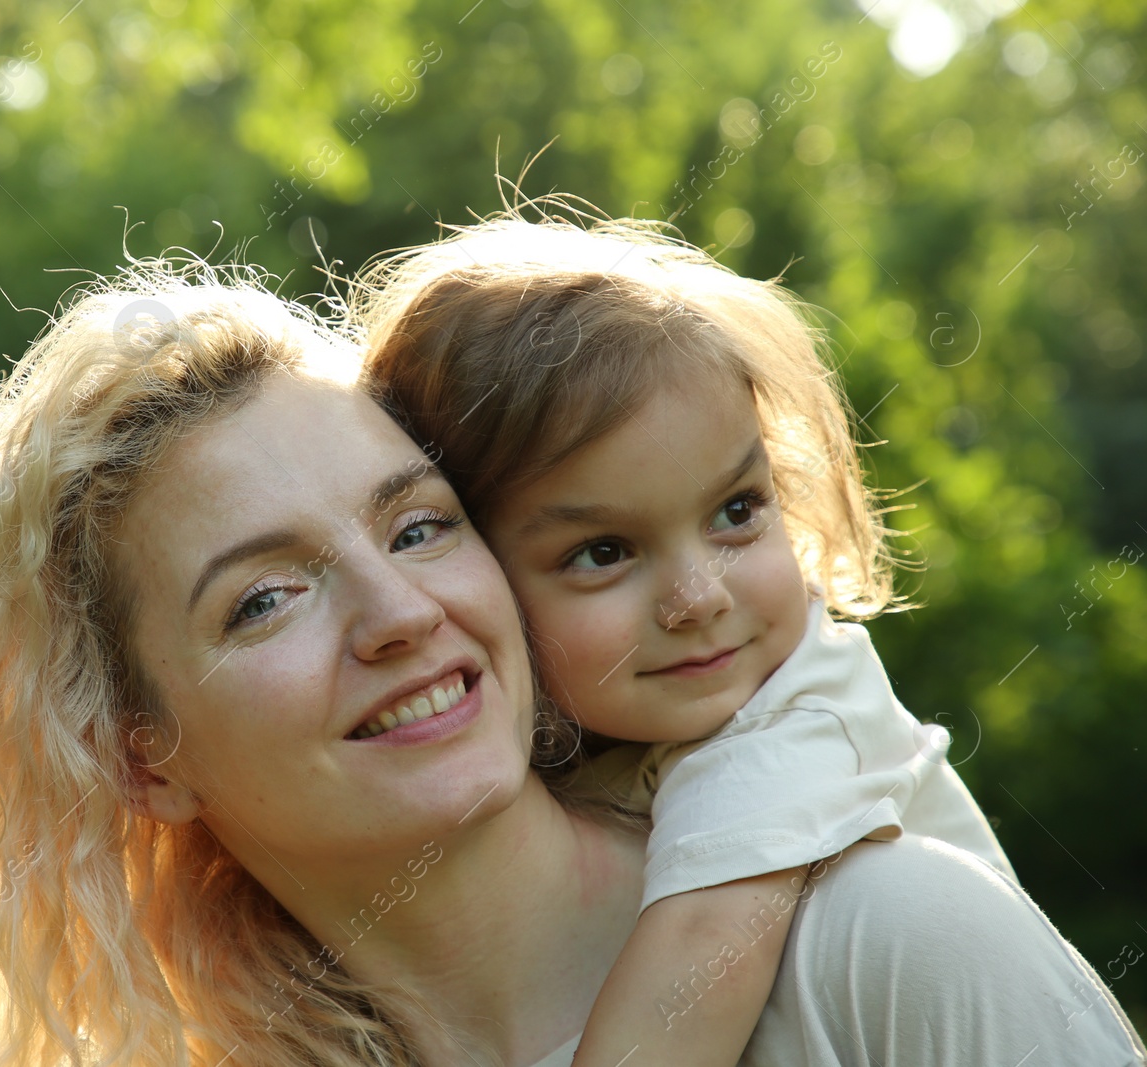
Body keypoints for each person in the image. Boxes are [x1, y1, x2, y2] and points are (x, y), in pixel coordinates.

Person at [0, 262, 1144, 1067]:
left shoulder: (882, 940)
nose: (398, 611)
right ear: (142, 751)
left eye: (418, 525)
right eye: (266, 598)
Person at [352, 206, 1141, 1066]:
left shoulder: (798, 714)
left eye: (737, 511)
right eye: (604, 552)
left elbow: (692, 974)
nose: (698, 596)